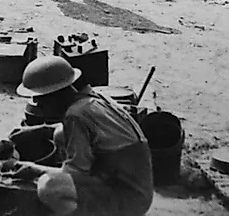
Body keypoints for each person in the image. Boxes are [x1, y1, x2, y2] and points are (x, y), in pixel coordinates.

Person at [12, 56, 153, 216]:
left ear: (53, 95)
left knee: (49, 186)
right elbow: (69, 131)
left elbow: (75, 173)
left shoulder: (75, 115)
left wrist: (34, 169)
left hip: (128, 199)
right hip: (134, 184)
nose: (39, 104)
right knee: (59, 134)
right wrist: (39, 130)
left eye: (40, 99)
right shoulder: (90, 98)